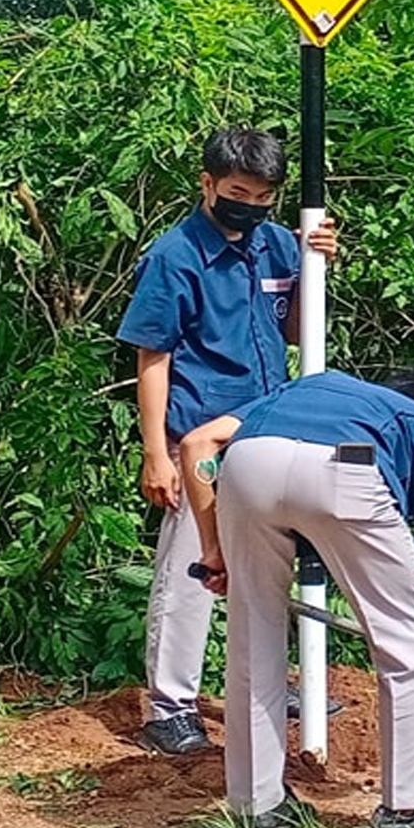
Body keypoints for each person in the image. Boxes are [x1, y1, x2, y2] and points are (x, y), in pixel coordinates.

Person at [179, 367, 414, 828]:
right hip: (349, 468)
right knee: (406, 647)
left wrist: (214, 550)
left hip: (247, 466)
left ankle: (257, 809)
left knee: (253, 642)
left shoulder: (311, 387)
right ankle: (406, 813)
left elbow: (197, 444)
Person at [117, 127, 336, 756]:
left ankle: (270, 682)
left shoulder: (277, 247)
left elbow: (296, 331)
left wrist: (315, 270)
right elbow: (152, 356)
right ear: (208, 183)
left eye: (265, 196)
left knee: (268, 569)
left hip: (269, 432)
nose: (252, 205)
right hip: (200, 442)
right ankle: (170, 707)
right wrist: (156, 451)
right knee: (193, 571)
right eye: (240, 192)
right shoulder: (175, 257)